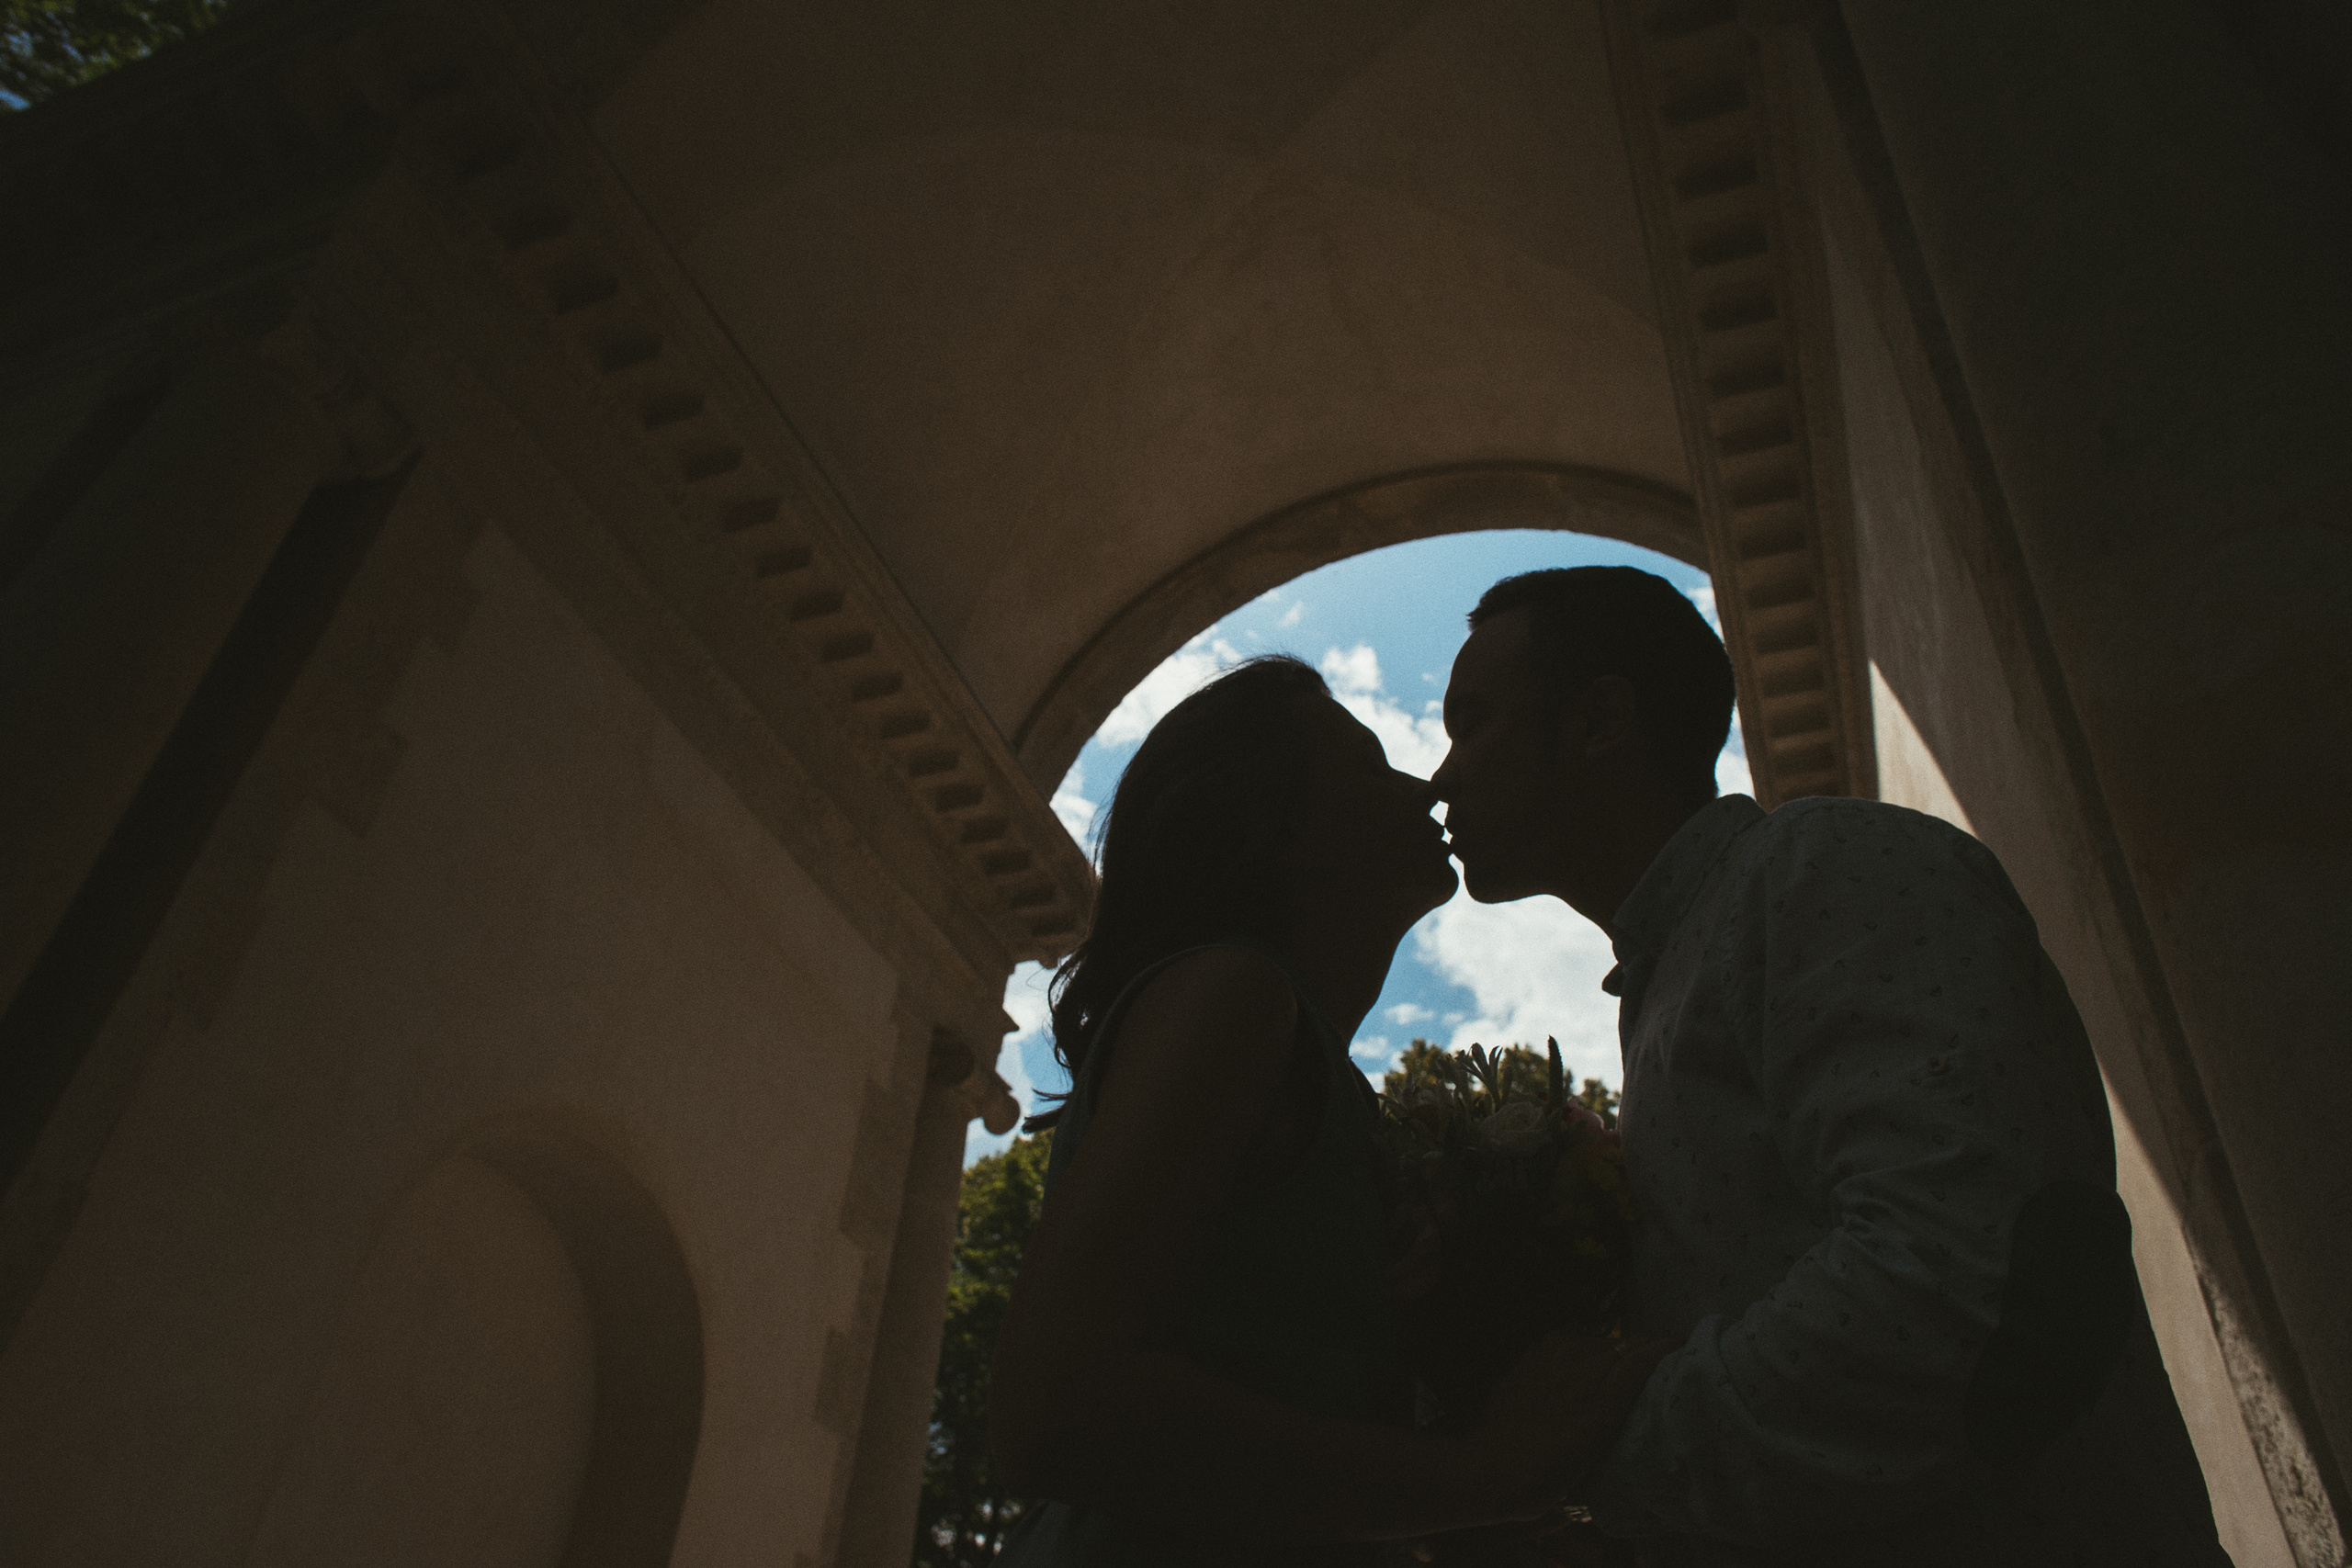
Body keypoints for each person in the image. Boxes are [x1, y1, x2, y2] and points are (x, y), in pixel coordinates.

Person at [1430, 566, 2232, 1565]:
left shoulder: (1821, 866)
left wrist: (1571, 1461)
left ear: (1597, 721)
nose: (1441, 778)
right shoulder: (1675, 978)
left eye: (1472, 723)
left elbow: (1964, 1287)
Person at [989, 655, 1663, 1565]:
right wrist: (1484, 1476)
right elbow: (1053, 1409)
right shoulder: (1234, 994)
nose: (1423, 786)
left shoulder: (1303, 1057)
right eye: (1368, 762)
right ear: (1277, 826)